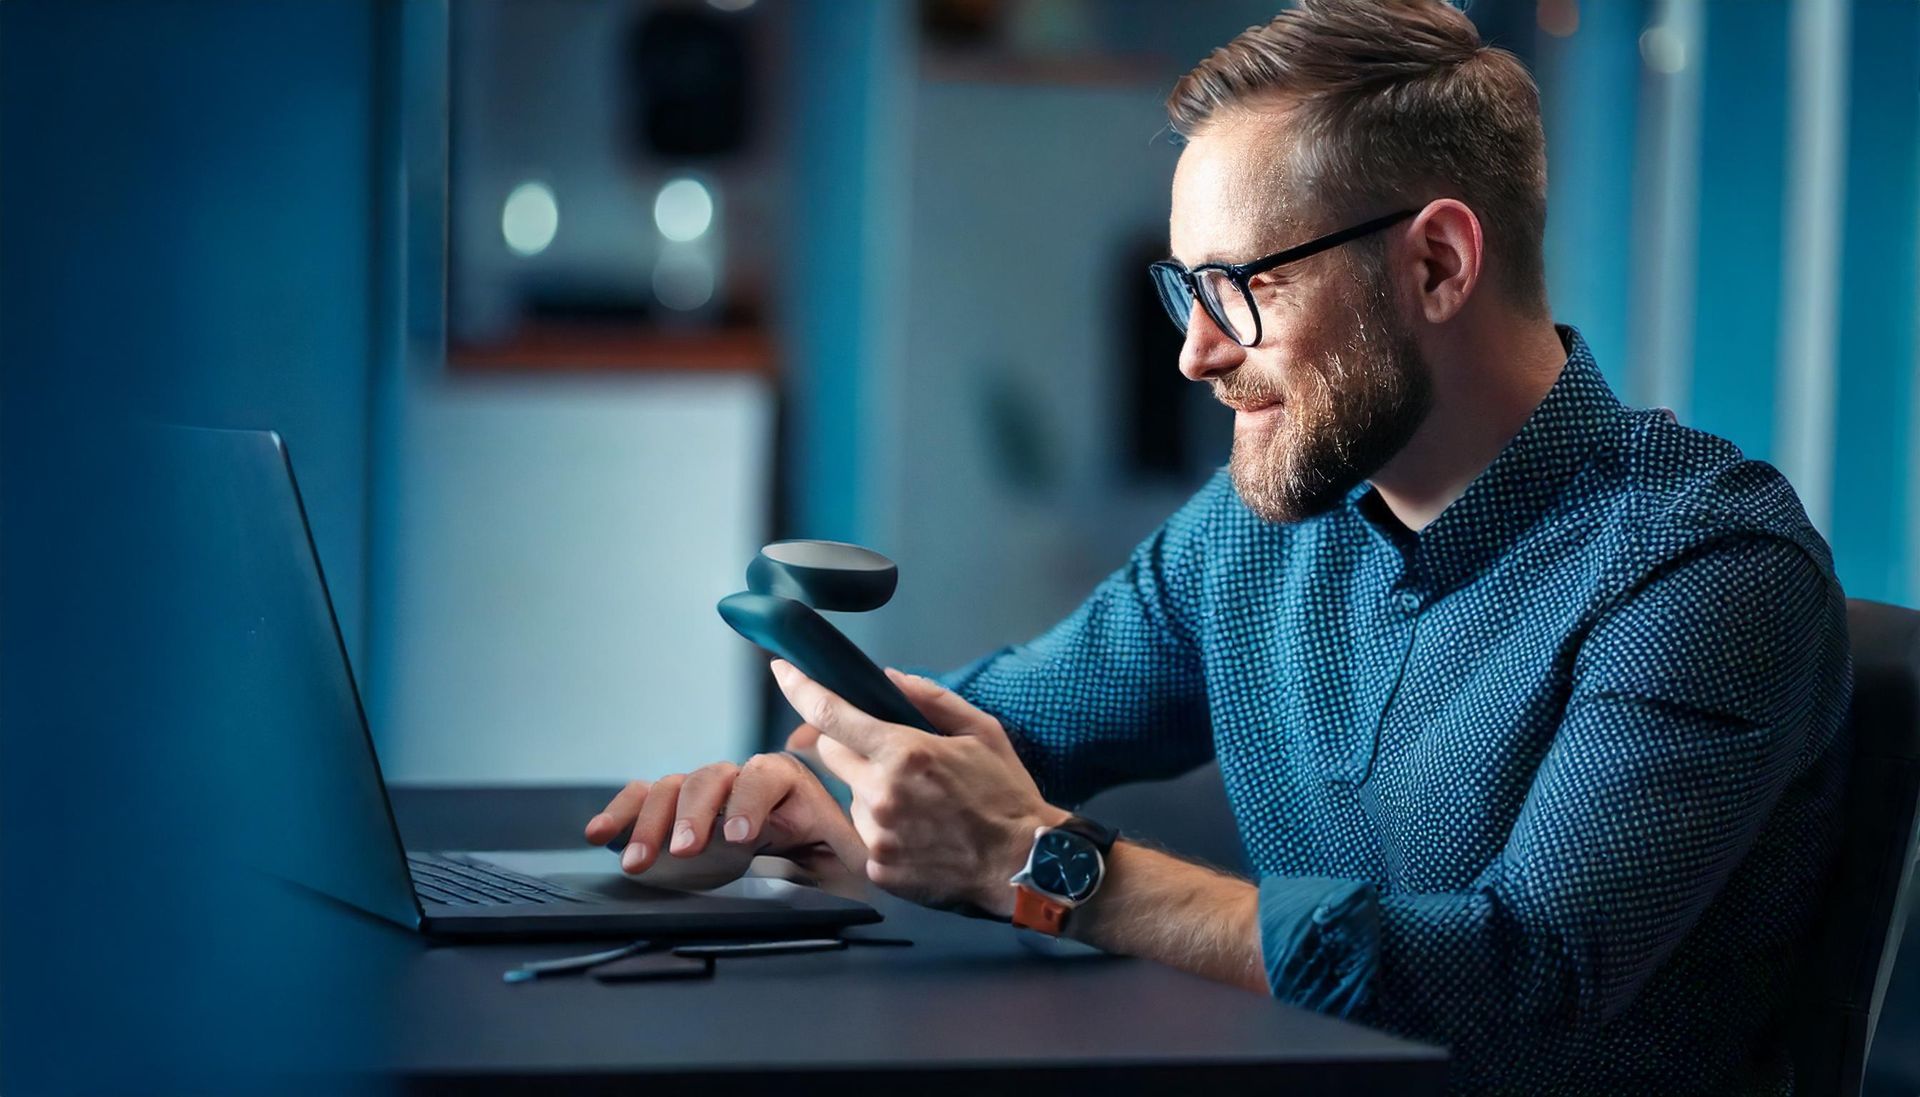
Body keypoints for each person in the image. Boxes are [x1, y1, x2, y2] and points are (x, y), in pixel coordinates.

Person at [584, 2, 1850, 1092]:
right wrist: (818, 782)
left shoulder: (1705, 569)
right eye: (1181, 288)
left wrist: (1044, 866)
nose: (1193, 349)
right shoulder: (1259, 531)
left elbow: (1521, 988)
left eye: (1240, 287)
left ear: (1441, 264)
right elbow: (1012, 725)